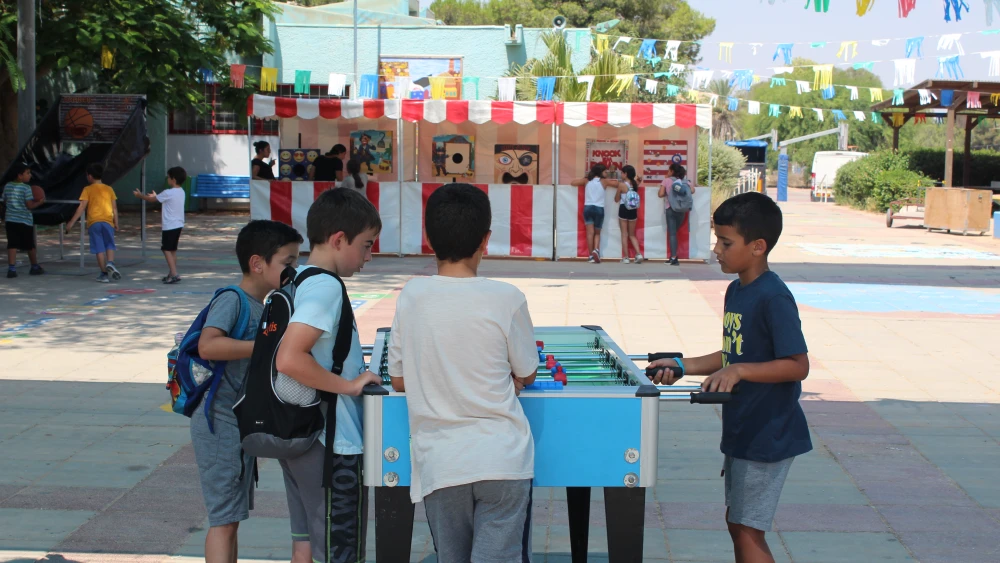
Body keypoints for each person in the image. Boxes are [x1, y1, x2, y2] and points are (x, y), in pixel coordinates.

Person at [647, 192, 810, 563]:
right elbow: (733, 354)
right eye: (716, 240)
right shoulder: (737, 290)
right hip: (743, 428)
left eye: (725, 242)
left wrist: (738, 371)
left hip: (768, 432)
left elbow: (797, 364)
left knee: (748, 529)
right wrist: (682, 364)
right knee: (737, 524)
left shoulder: (773, 297)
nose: (716, 250)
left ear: (758, 246)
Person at [387, 183, 537, 562]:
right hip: (503, 459)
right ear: (486, 239)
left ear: (428, 237)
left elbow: (400, 380)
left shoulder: (412, 296)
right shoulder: (507, 297)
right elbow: (528, 372)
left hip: (441, 463)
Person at [273, 188, 383, 563]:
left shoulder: (298, 278)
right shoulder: (325, 286)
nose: (369, 256)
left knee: (305, 543)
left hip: (300, 436)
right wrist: (349, 385)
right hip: (331, 444)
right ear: (338, 240)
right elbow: (289, 358)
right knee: (340, 550)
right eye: (366, 245)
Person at [193, 219, 303, 563]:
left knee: (232, 518)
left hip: (235, 423)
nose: (293, 270)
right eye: (287, 262)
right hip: (218, 422)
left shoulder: (265, 304)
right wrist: (262, 346)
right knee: (223, 520)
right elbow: (208, 346)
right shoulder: (233, 298)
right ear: (258, 263)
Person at [65, 164, 121, 283]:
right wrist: (116, 222)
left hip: (94, 223)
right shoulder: (109, 189)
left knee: (99, 248)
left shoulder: (87, 189)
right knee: (110, 244)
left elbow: (81, 207)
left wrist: (71, 222)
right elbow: (114, 208)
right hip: (108, 222)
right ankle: (110, 263)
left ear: (90, 176)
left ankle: (104, 274)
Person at [133, 167, 187, 284]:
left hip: (169, 225)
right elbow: (160, 199)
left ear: (173, 179)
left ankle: (174, 274)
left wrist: (140, 195)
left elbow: (152, 200)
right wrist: (156, 195)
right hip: (178, 224)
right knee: (172, 250)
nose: (167, 179)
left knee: (166, 249)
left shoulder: (168, 192)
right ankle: (172, 272)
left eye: (168, 177)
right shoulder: (181, 191)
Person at [571, 164, 622, 263]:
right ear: (600, 172)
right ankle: (596, 249)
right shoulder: (604, 181)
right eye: (605, 171)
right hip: (599, 208)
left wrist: (585, 178)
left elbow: (573, 182)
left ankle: (590, 256)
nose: (606, 173)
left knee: (590, 233)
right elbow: (617, 184)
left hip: (588, 208)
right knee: (597, 233)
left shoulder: (587, 180)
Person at [2, 163, 45, 278]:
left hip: (10, 219)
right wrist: (39, 202)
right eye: (27, 173)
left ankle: (11, 268)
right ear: (19, 175)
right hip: (24, 220)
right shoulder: (26, 188)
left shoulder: (7, 186)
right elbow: (29, 205)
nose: (30, 175)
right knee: (29, 245)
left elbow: (4, 201)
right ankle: (34, 266)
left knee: (12, 244)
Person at [658, 162, 694, 266]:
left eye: (669, 170)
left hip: (671, 209)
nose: (667, 172)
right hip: (682, 210)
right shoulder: (685, 181)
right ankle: (673, 256)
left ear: (672, 171)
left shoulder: (666, 180)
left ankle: (673, 258)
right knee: (675, 232)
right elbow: (692, 191)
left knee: (672, 234)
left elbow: (660, 194)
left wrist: (668, 192)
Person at [615, 164, 644, 264]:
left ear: (626, 174)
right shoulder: (635, 184)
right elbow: (639, 181)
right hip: (633, 210)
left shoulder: (622, 185)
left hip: (623, 208)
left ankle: (626, 258)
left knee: (624, 234)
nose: (621, 174)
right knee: (632, 234)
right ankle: (638, 254)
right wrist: (639, 179)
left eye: (622, 173)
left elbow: (616, 199)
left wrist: (618, 192)